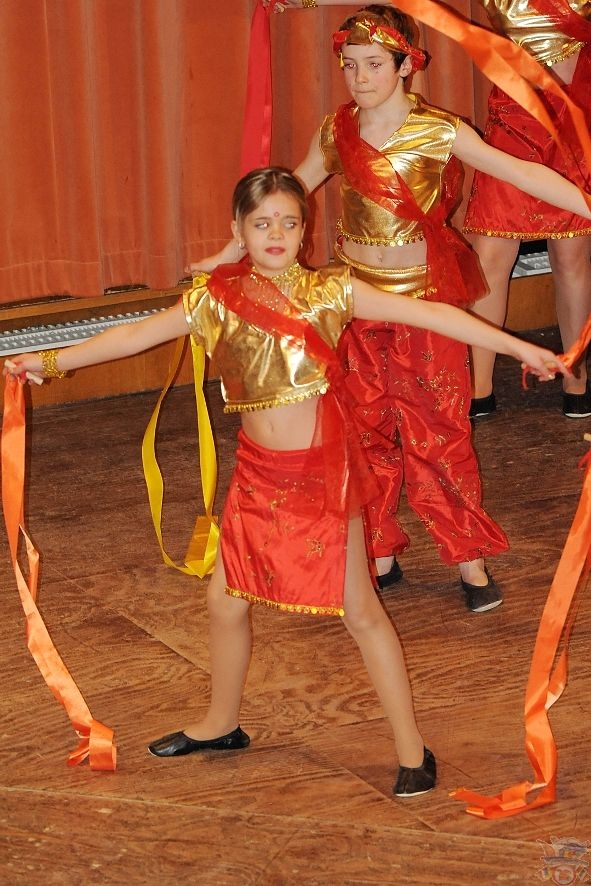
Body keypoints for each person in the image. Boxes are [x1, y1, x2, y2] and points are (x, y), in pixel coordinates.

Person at [4, 167, 573, 797]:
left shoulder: (331, 291)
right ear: (238, 229)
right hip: (258, 474)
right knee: (225, 601)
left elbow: (433, 314)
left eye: (289, 223)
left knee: (362, 612)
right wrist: (49, 361)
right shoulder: (214, 299)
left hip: (323, 476)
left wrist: (519, 348)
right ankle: (221, 723)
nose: (276, 234)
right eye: (262, 223)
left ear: (305, 231)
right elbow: (133, 335)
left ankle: (413, 747)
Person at [190, 4, 591, 612]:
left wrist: (586, 204)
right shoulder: (337, 131)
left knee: (439, 431)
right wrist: (226, 254)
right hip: (354, 307)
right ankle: (379, 550)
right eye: (351, 65)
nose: (360, 78)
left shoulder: (439, 130)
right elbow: (286, 192)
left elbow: (523, 174)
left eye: (374, 64)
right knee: (362, 430)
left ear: (407, 66)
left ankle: (468, 556)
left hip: (424, 306)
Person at [462, 0, 591, 420]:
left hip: (576, 110)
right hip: (515, 115)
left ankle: (575, 376)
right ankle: (479, 387)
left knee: (571, 254)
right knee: (492, 253)